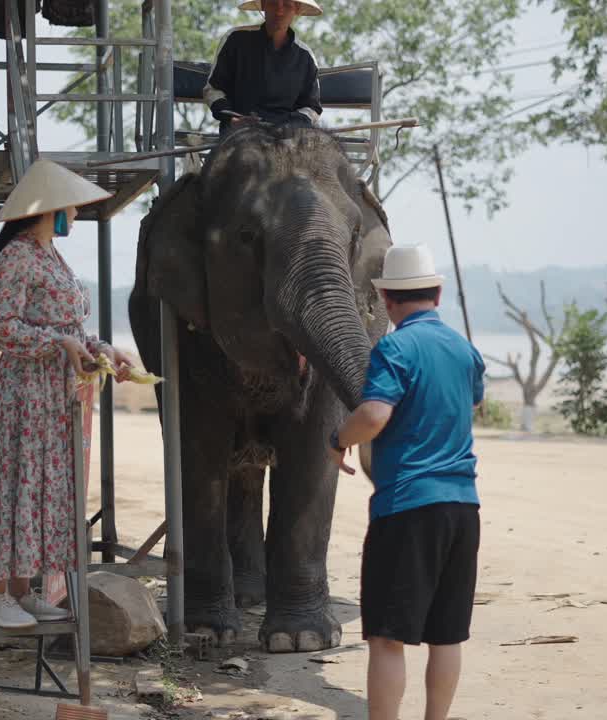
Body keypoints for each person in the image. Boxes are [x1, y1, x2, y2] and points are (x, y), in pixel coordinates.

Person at [0, 159, 140, 629]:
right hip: (27, 390)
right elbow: (1, 327)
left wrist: (103, 350)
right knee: (18, 482)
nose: (77, 212)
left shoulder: (49, 255)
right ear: (50, 209)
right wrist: (60, 345)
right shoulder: (17, 256)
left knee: (44, 484)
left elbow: (69, 326)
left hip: (57, 391)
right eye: (71, 205)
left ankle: (24, 592)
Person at [327, 245, 486, 720]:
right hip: (463, 508)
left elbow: (374, 413)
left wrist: (339, 438)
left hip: (408, 509)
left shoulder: (395, 347)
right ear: (437, 293)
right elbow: (472, 403)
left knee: (387, 636)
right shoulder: (465, 349)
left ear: (388, 301)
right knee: (446, 635)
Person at [203, 0, 323, 136]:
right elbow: (213, 89)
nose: (279, 11)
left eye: (287, 5)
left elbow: (312, 107)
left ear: (297, 8)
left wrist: (290, 125)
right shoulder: (236, 39)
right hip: (239, 135)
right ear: (263, 5)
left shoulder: (305, 56)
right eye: (273, 3)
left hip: (286, 139)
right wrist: (232, 119)